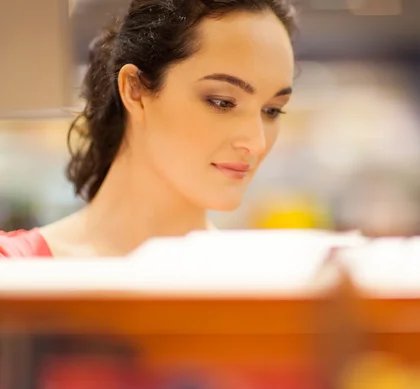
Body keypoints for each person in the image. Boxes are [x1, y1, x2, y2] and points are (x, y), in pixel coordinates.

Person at [0, 0, 297, 258]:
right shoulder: (17, 276)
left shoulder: (265, 287)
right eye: (222, 102)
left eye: (271, 111)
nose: (257, 143)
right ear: (136, 91)